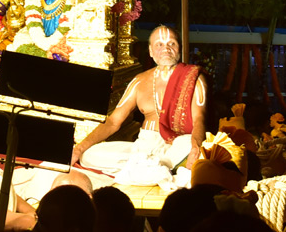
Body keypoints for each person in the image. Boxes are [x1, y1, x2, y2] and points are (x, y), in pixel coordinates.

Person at [71, 25, 206, 177]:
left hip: (174, 146)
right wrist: (79, 149)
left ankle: (147, 170)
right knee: (89, 155)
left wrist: (196, 146)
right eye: (159, 44)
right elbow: (113, 122)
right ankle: (156, 170)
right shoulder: (139, 81)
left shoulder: (194, 79)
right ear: (150, 51)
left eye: (171, 43)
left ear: (179, 48)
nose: (166, 49)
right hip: (143, 147)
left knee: (188, 145)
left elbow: (199, 118)